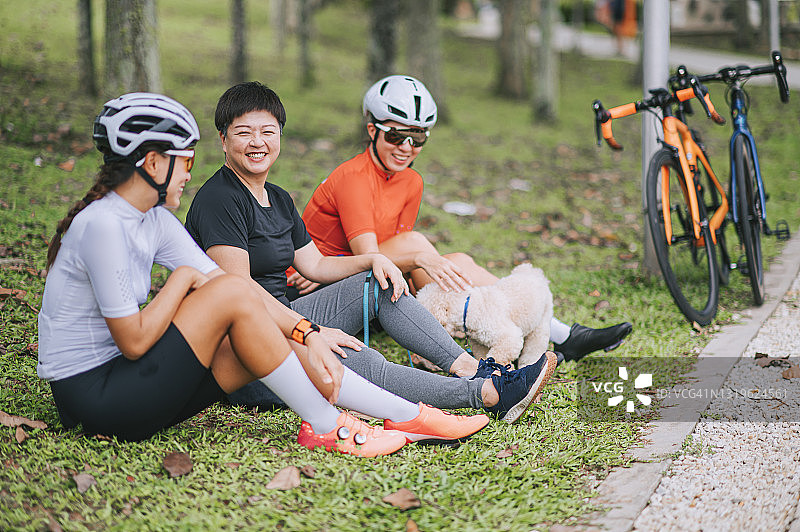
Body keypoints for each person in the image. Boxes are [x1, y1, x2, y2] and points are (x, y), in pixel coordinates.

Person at [37, 92, 491, 457]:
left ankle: (405, 415)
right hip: (97, 404)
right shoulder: (101, 226)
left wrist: (308, 334)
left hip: (137, 385)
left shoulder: (152, 219)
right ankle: (331, 424)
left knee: (245, 306)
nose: (188, 177)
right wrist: (181, 283)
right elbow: (136, 340)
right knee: (232, 289)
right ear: (153, 163)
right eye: (185, 163)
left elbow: (222, 282)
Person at [185, 81, 558, 424]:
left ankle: (469, 367)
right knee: (358, 359)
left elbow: (314, 264)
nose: (258, 142)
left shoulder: (278, 198)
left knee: (377, 283)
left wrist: (373, 260)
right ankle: (487, 393)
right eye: (244, 133)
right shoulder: (220, 199)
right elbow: (239, 290)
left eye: (268, 132)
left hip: (282, 316)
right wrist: (310, 331)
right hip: (246, 346)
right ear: (222, 139)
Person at [294, 75, 633, 364]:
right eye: (395, 136)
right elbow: (372, 259)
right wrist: (419, 256)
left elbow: (402, 265)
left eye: (418, 138)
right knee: (419, 248)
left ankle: (555, 332)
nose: (406, 147)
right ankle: (531, 333)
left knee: (455, 262)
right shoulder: (353, 177)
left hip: (371, 279)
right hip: (323, 285)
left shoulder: (411, 181)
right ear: (372, 130)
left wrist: (422, 261)